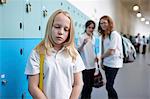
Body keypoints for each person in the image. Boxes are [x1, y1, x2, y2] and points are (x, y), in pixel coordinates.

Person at [25, 9, 85, 99]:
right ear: (50, 27)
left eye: (66, 29)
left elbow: (78, 84)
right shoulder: (37, 53)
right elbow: (32, 87)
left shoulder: (73, 54)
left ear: (69, 33)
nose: (61, 32)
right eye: (57, 27)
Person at [98, 15, 123, 99]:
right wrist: (102, 62)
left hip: (114, 63)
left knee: (109, 86)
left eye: (105, 22)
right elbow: (104, 49)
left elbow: (111, 51)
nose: (103, 25)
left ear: (109, 23)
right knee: (109, 85)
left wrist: (100, 57)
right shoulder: (104, 35)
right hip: (107, 62)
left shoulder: (114, 34)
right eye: (101, 23)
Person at [78, 20, 98, 99]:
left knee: (90, 86)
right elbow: (78, 50)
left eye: (92, 28)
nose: (91, 29)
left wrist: (96, 57)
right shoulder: (81, 37)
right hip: (85, 65)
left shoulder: (93, 38)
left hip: (93, 65)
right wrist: (83, 43)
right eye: (89, 27)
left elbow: (93, 50)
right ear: (86, 27)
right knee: (85, 86)